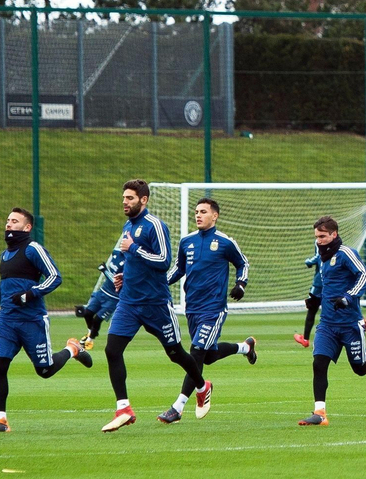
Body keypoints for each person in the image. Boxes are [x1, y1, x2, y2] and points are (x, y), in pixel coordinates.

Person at [101, 180, 208, 432]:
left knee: (175, 354)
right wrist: (124, 275)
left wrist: (134, 248)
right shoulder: (128, 225)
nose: (125, 202)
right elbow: (134, 260)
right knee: (112, 350)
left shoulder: (155, 225)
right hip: (129, 302)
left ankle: (202, 387)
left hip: (156, 304)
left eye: (130, 198)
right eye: (123, 197)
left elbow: (163, 260)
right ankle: (124, 408)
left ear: (144, 200)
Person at [0, 208, 90, 433]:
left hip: (32, 320)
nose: (9, 224)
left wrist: (30, 294)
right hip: (7, 320)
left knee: (45, 371)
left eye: (14, 221)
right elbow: (14, 284)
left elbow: (55, 277)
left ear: (27, 227)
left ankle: (72, 349)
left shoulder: (33, 249)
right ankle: (1, 421)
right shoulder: (5, 254)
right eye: (8, 220)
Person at [298, 216, 366, 425]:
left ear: (334, 234)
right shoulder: (323, 256)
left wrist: (348, 298)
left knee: (361, 368)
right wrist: (315, 298)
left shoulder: (346, 253)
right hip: (327, 324)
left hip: (349, 324)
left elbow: (365, 275)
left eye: (322, 236)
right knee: (319, 363)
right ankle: (320, 413)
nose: (318, 240)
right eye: (316, 237)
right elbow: (328, 284)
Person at [160, 197, 255, 424]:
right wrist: (157, 283)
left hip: (213, 309)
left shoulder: (225, 242)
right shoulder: (187, 242)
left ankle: (178, 407)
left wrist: (241, 284)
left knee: (196, 353)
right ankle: (245, 347)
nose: (198, 215)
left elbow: (243, 263)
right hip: (192, 308)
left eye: (203, 211)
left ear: (215, 215)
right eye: (196, 212)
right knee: (208, 356)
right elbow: (178, 270)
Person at [74, 245, 125, 350]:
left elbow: (117, 281)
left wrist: (105, 271)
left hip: (114, 298)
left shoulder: (129, 261)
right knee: (88, 313)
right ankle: (90, 333)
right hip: (102, 291)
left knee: (98, 319)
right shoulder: (115, 252)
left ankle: (90, 340)